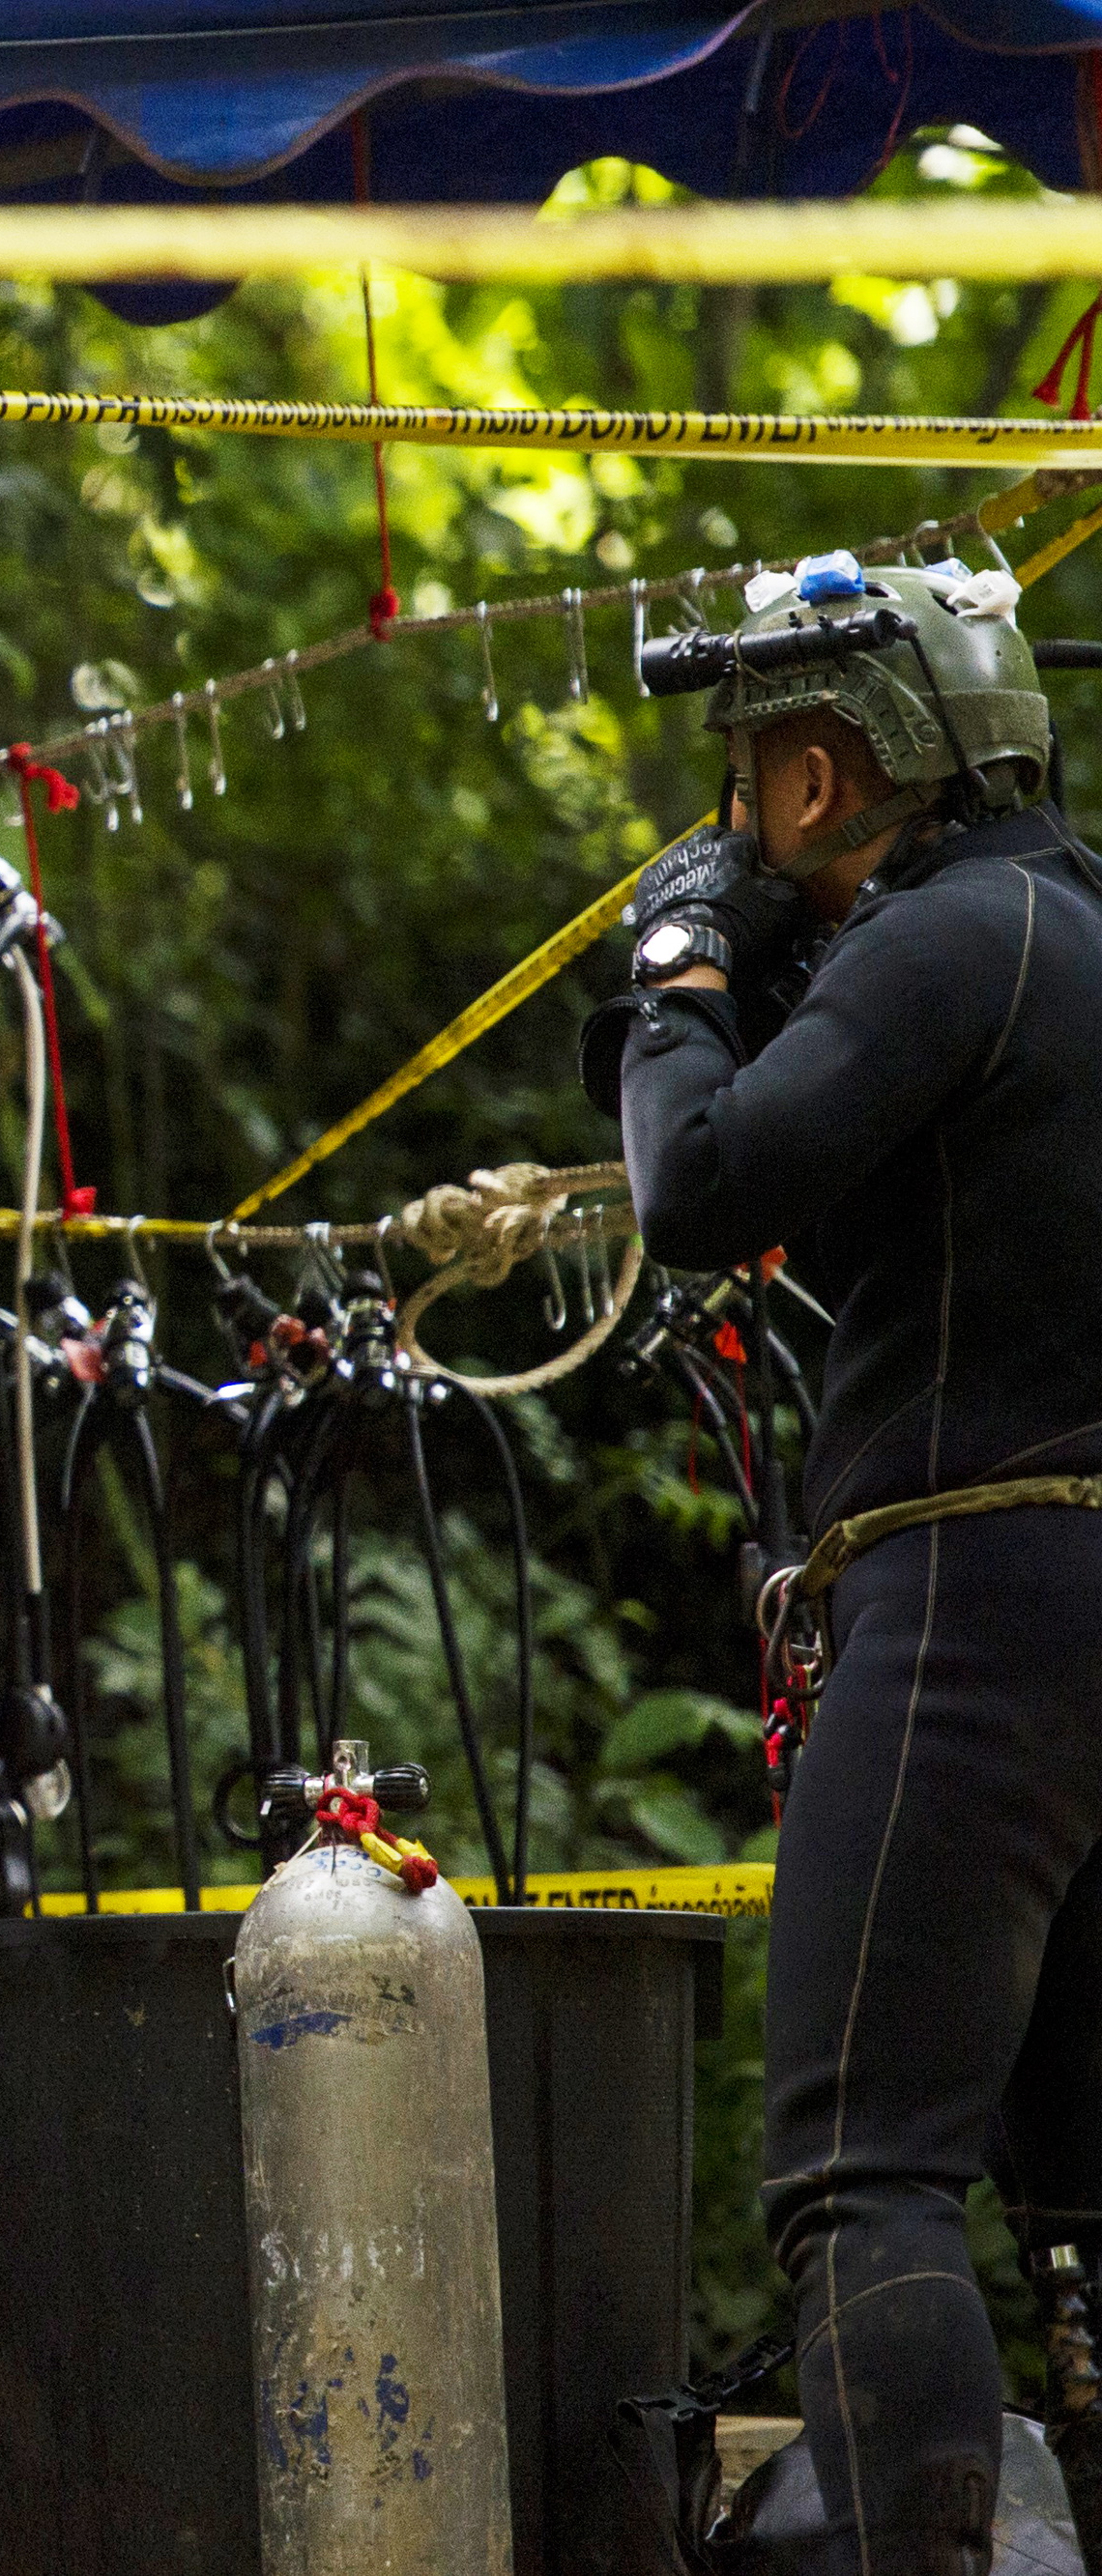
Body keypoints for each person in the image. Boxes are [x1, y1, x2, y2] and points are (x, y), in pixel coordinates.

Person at [589, 550, 1097, 2576]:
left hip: (975, 1605)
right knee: (1080, 2191)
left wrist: (678, 976)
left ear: (817, 774)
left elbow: (699, 1184)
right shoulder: (1063, 931)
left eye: (741, 783)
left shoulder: (944, 938)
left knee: (858, 2175)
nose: (728, 823)